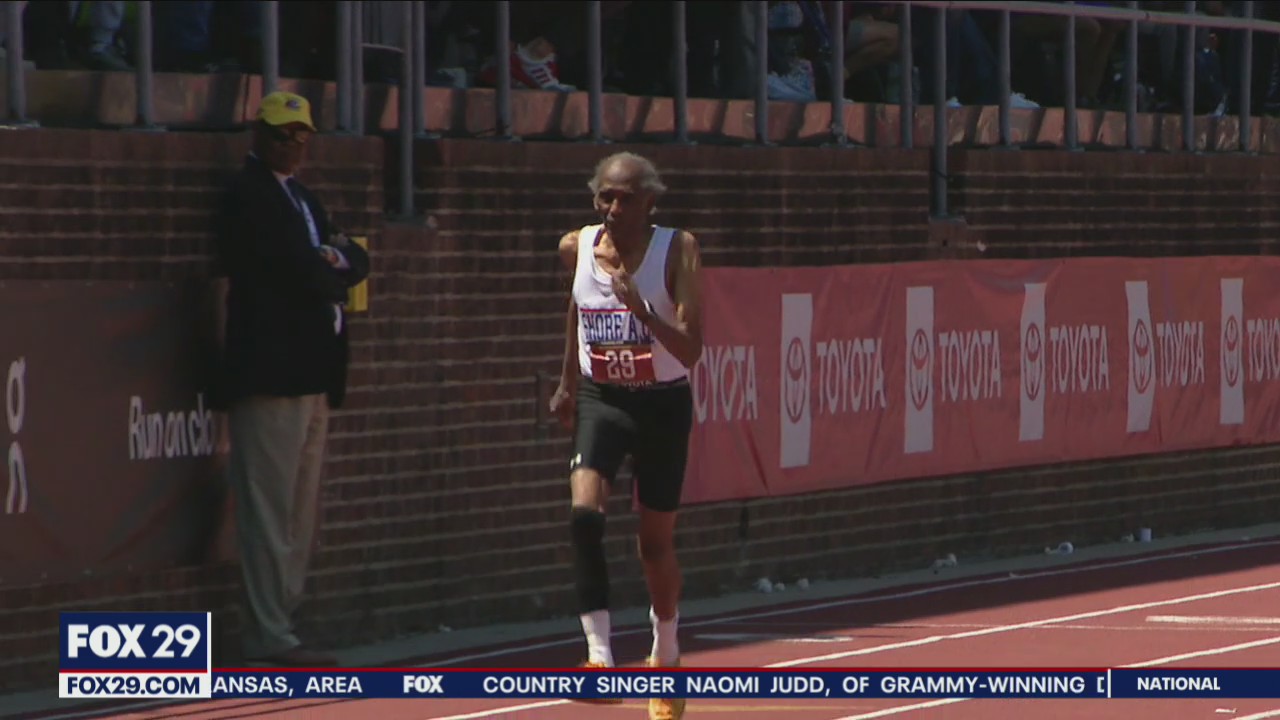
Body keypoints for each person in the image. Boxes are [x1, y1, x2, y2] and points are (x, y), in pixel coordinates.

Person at [213, 90, 370, 666]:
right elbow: (293, 267)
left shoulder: (303, 196)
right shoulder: (248, 194)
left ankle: (286, 622)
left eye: (301, 134)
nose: (293, 144)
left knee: (301, 513)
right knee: (269, 510)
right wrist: (330, 263)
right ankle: (268, 633)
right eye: (282, 134)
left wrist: (334, 259)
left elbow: (356, 258)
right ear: (259, 134)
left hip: (314, 373)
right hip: (271, 371)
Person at [549, 151, 703, 720]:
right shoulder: (577, 247)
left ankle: (666, 653)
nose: (613, 209)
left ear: (650, 203)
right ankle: (599, 656)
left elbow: (691, 348)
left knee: (654, 545)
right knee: (583, 516)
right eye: (605, 197)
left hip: (662, 403)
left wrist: (643, 312)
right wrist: (568, 384)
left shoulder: (677, 250)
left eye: (626, 198)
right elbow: (577, 307)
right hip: (603, 398)